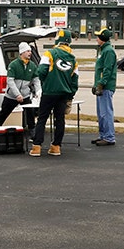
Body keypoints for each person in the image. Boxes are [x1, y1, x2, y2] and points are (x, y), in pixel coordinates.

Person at [29, 29, 79, 157]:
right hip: (64, 93)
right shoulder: (73, 59)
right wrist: (70, 95)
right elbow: (75, 81)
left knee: (42, 118)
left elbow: (41, 71)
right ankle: (56, 146)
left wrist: (46, 82)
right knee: (60, 120)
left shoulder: (49, 54)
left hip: (50, 92)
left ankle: (37, 146)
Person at [0, 42, 39, 127]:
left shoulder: (32, 65)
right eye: (27, 51)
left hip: (25, 95)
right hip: (11, 96)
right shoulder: (14, 64)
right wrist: (17, 94)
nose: (30, 53)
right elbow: (10, 81)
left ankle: (32, 133)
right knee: (3, 114)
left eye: (30, 51)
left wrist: (38, 92)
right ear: (21, 53)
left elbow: (36, 80)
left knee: (30, 115)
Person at [91, 27, 117, 146]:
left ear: (103, 38)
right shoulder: (103, 50)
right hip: (100, 86)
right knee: (101, 113)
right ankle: (103, 135)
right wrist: (95, 84)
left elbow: (107, 70)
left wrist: (101, 83)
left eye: (98, 37)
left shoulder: (108, 51)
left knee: (106, 112)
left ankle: (109, 137)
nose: (96, 39)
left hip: (106, 87)